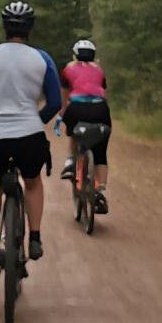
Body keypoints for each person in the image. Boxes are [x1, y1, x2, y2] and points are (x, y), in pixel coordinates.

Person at [0, 0, 62, 277]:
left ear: (4, 27)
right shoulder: (42, 59)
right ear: (30, 28)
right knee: (32, 183)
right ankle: (34, 237)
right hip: (29, 137)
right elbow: (54, 102)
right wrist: (34, 122)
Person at [60, 38, 113, 214]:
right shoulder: (99, 70)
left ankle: (70, 161)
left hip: (77, 108)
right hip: (100, 109)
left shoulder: (68, 68)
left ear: (75, 54)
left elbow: (66, 95)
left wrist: (62, 112)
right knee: (100, 152)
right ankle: (100, 190)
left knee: (74, 133)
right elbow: (102, 90)